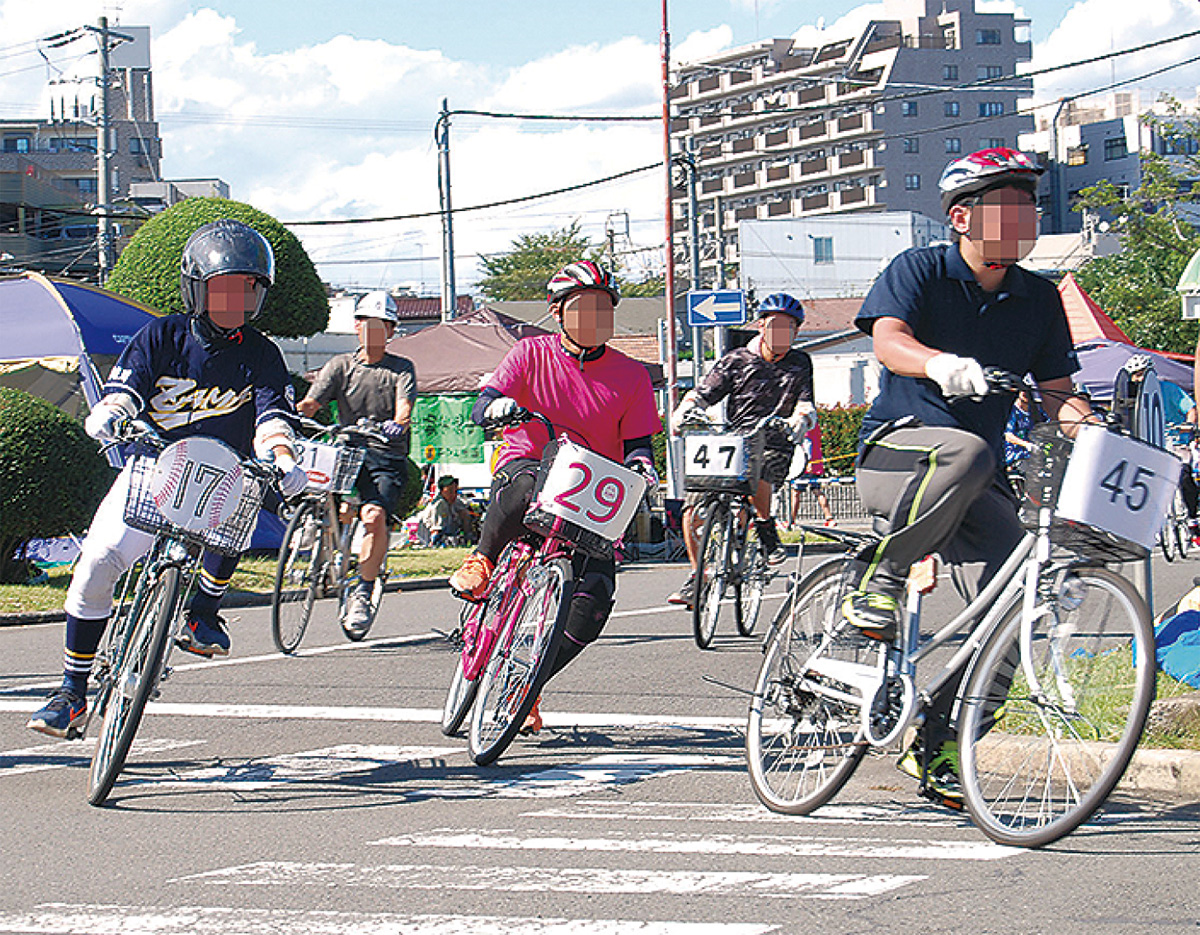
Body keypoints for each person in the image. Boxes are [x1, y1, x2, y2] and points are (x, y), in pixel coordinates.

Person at [844, 148, 1097, 805]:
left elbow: (1058, 395)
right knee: (969, 451)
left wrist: (1094, 430)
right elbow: (888, 341)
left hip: (975, 481)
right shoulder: (919, 269)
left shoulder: (1039, 298)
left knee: (1019, 602)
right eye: (1007, 206)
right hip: (897, 457)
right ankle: (879, 575)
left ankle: (942, 742)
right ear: (962, 217)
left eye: (1029, 207)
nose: (1024, 218)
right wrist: (937, 363)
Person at [27, 219, 309, 738]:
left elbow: (273, 417)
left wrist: (284, 457)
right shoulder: (162, 335)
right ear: (195, 288)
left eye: (247, 289)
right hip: (153, 470)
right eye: (223, 288)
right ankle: (71, 693)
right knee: (96, 565)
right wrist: (112, 411)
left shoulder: (264, 354)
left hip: (223, 479)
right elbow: (127, 387)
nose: (235, 300)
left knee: (245, 499)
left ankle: (203, 611)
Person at [447, 260, 661, 732]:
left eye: (603, 308)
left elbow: (639, 443)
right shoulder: (529, 353)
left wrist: (643, 466)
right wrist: (498, 407)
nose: (594, 317)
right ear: (558, 311)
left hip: (592, 488)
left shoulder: (632, 375)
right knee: (525, 485)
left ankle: (526, 684)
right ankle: (483, 559)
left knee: (594, 603)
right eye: (583, 307)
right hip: (530, 461)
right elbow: (484, 404)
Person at [666, 293, 815, 608]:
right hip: (734, 442)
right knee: (692, 507)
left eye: (789, 327)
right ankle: (699, 576)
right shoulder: (736, 360)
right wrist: (686, 409)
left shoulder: (800, 362)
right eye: (775, 326)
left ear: (796, 332)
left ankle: (765, 525)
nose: (781, 333)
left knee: (760, 472)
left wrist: (801, 419)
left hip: (775, 441)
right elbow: (704, 393)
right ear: (761, 326)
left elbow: (805, 403)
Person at [296, 291, 416, 636]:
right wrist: (292, 413)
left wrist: (398, 423)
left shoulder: (401, 369)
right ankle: (316, 534)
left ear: (391, 330)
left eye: (382, 325)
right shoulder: (340, 366)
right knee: (310, 482)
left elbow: (404, 408)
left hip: (385, 454)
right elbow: (313, 403)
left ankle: (362, 591)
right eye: (367, 323)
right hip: (346, 451)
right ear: (357, 326)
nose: (374, 330)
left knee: (373, 516)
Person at [788, 422, 835, 528]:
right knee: (817, 490)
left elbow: (807, 445)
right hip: (816, 464)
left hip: (804, 466)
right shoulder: (815, 427)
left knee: (795, 492)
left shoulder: (805, 429)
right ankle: (829, 518)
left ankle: (791, 520)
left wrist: (807, 463)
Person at [419, 475, 474, 546]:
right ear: (442, 491)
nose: (453, 494)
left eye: (455, 491)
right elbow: (436, 531)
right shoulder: (439, 504)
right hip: (432, 538)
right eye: (450, 491)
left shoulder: (456, 502)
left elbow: (466, 514)